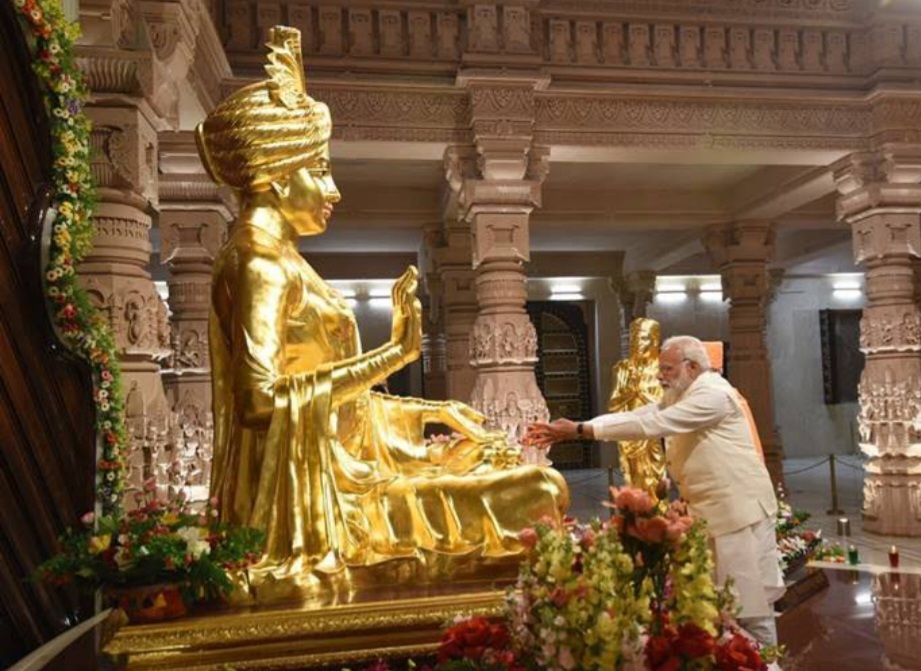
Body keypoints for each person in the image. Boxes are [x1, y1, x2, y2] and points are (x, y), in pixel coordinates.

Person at [196, 26, 568, 594]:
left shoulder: (280, 261)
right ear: (273, 178)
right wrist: (392, 355)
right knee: (537, 493)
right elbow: (260, 401)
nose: (333, 189)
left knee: (504, 470)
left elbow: (336, 404)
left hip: (342, 471)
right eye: (317, 169)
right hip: (316, 504)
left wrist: (431, 409)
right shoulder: (258, 264)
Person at [525, 335, 784, 646]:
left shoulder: (714, 394)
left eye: (667, 368)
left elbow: (656, 424)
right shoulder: (684, 393)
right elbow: (641, 415)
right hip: (714, 514)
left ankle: (769, 663)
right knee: (722, 604)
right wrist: (581, 426)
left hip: (738, 514)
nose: (660, 375)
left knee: (749, 607)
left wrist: (581, 431)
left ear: (691, 366)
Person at [607, 317, 666, 499]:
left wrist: (641, 392)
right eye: (635, 338)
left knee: (655, 476)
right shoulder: (622, 368)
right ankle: (636, 513)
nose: (638, 343)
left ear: (655, 340)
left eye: (644, 338)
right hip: (630, 431)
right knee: (633, 478)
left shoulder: (663, 369)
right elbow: (613, 404)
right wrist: (629, 392)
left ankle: (658, 512)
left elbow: (666, 405)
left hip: (655, 432)